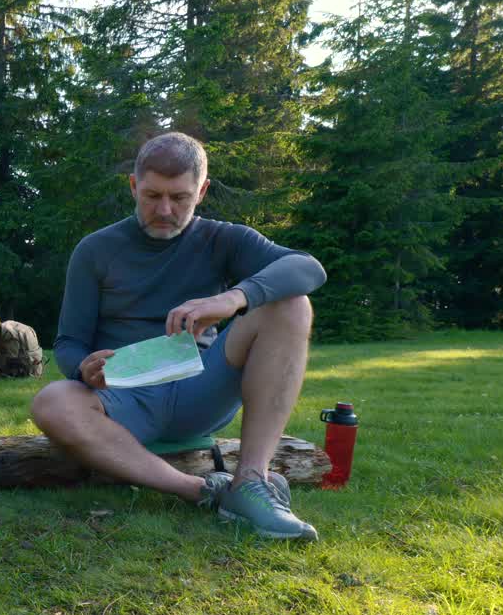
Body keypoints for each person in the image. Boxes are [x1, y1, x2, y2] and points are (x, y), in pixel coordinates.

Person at [30, 132, 326, 541]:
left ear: (202, 191)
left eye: (179, 198)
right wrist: (82, 366)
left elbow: (308, 268)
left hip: (201, 389)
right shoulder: (95, 249)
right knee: (51, 401)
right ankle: (203, 492)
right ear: (134, 186)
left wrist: (233, 298)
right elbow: (68, 341)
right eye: (151, 196)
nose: (164, 210)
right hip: (124, 398)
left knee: (292, 304)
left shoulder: (224, 239)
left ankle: (251, 480)